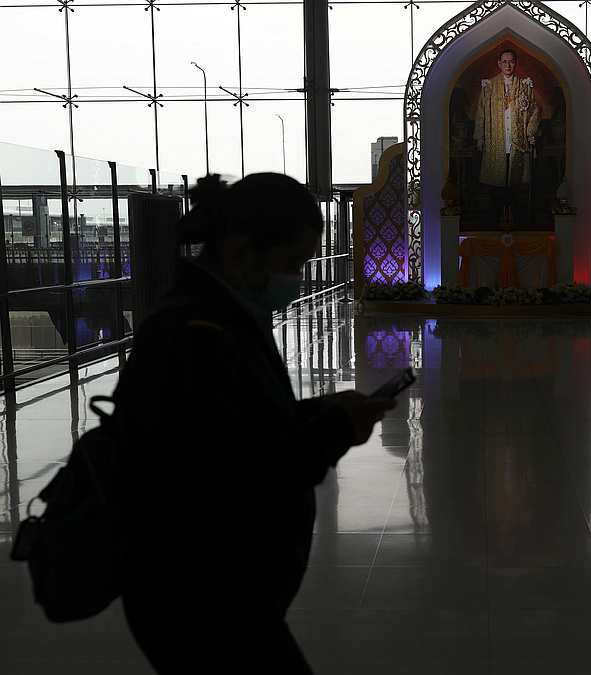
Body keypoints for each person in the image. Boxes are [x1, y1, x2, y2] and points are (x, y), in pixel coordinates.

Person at [112, 173, 395, 673]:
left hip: (222, 591)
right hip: (201, 598)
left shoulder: (222, 319)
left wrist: (324, 411)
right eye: (293, 264)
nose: (298, 279)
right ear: (241, 252)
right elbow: (244, 474)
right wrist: (336, 430)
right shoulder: (198, 334)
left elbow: (247, 428)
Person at [474, 47, 540, 226]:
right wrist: (480, 137)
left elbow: (534, 110)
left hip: (517, 141)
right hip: (496, 140)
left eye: (511, 61)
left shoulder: (525, 85)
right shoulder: (489, 86)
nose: (508, 65)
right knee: (496, 187)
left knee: (516, 186)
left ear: (515, 63)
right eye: (504, 61)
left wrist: (530, 132)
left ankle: (518, 225)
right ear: (499, 64)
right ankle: (495, 226)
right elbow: (481, 112)